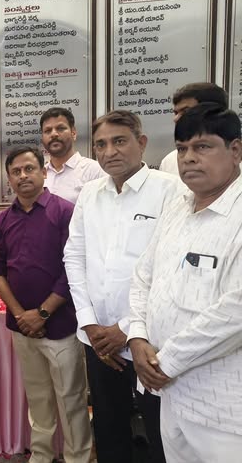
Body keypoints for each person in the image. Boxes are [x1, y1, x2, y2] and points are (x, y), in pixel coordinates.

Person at [64, 110, 180, 463]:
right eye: (101, 144)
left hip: (149, 340)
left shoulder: (170, 190)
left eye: (119, 141)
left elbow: (170, 270)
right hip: (98, 341)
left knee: (159, 432)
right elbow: (74, 256)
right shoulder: (90, 194)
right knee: (109, 428)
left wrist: (126, 328)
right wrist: (89, 324)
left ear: (141, 143)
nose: (109, 151)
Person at [128, 104, 242, 461]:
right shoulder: (178, 207)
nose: (189, 158)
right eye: (181, 149)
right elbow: (143, 276)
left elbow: (235, 314)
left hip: (223, 409)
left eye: (202, 146)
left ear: (235, 150)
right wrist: (136, 337)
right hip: (171, 395)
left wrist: (165, 362)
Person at [0, 147, 92, 463]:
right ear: (9, 179)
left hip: (61, 325)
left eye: (29, 169)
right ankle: (42, 454)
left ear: (44, 172)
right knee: (38, 397)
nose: (23, 176)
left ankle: (78, 457)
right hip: (22, 327)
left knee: (71, 399)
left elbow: (73, 269)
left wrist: (43, 312)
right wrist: (21, 315)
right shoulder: (3, 220)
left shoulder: (64, 212)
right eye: (16, 171)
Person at [158, 82, 228, 175]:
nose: (176, 119)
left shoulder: (235, 156)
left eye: (186, 111)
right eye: (176, 113)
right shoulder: (169, 162)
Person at [40, 107, 105, 203]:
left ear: (73, 133)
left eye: (60, 128)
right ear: (42, 138)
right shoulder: (39, 175)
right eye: (48, 131)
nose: (54, 134)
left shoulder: (95, 171)